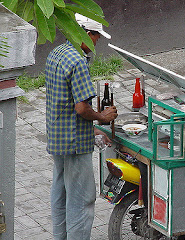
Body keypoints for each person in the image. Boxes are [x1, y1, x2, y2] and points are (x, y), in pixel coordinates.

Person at [45, 13, 117, 240]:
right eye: (96, 37)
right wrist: (102, 118)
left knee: (60, 192)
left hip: (58, 136)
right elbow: (81, 108)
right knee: (81, 199)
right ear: (86, 34)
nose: (96, 43)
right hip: (75, 144)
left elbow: (63, 103)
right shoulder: (78, 61)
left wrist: (92, 129)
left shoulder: (56, 53)